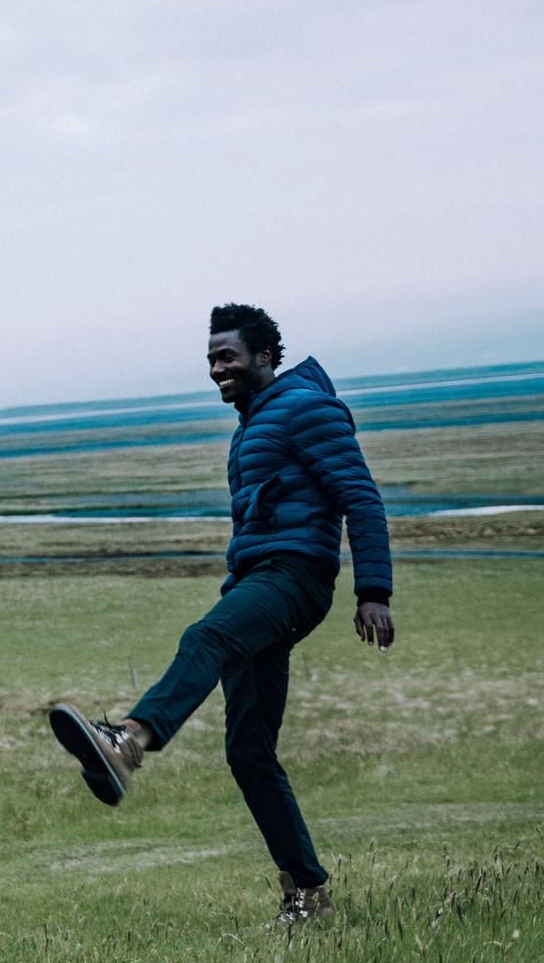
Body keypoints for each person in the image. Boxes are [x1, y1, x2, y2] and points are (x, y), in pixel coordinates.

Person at [48, 303, 396, 926]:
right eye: (210, 358)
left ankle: (129, 741)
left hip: (294, 578)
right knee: (249, 753)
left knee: (205, 637)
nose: (216, 368)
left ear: (264, 355)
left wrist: (374, 591)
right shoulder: (251, 426)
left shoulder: (305, 408)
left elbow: (361, 496)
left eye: (227, 356)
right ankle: (307, 895)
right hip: (258, 578)